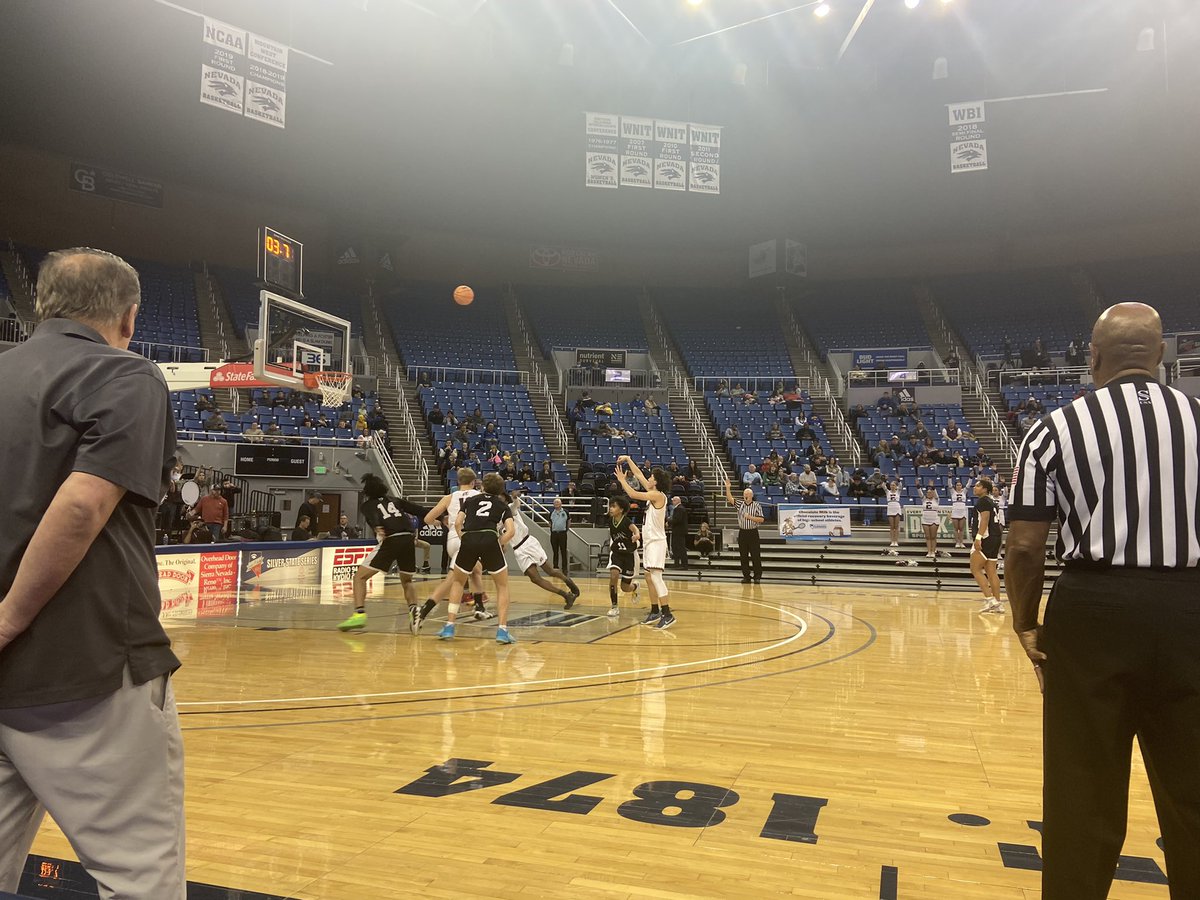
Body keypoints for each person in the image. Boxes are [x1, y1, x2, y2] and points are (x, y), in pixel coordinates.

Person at [0, 248, 184, 896]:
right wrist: (9, 618)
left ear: (42, 304)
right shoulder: (126, 375)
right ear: (128, 318)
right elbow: (82, 505)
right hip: (91, 668)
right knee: (138, 877)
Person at [1006, 302, 1200, 900]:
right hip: (1191, 608)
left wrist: (1026, 623)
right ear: (1160, 355)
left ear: (1093, 357)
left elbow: (1024, 546)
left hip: (1092, 609)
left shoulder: (1053, 429)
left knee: (1081, 790)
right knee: (1194, 791)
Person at [337, 474, 429, 634]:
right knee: (407, 580)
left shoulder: (367, 505)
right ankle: (414, 610)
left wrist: (377, 525)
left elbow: (373, 516)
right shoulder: (395, 500)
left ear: (367, 491)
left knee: (359, 577)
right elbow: (418, 510)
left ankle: (359, 614)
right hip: (408, 539)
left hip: (391, 539)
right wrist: (441, 516)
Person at [438, 472, 517, 644]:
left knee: (458, 582)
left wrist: (463, 538)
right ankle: (502, 631)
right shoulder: (502, 505)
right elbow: (511, 531)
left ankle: (449, 626)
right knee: (502, 586)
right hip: (490, 538)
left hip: (469, 539)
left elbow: (457, 523)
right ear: (500, 490)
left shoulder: (469, 501)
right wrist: (499, 543)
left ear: (482, 486)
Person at [420, 467, 490, 625]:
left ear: (458, 482)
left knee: (476, 569)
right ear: (473, 482)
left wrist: (440, 522)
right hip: (467, 538)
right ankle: (423, 610)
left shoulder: (449, 497)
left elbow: (427, 519)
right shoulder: (479, 495)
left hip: (451, 539)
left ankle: (479, 607)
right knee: (452, 579)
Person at [615, 457, 674, 629]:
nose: (648, 478)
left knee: (656, 577)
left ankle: (668, 614)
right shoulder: (653, 493)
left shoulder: (657, 495)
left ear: (656, 482)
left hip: (656, 542)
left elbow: (633, 495)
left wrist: (622, 481)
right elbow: (639, 474)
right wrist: (628, 459)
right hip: (649, 542)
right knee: (648, 577)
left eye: (651, 477)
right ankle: (655, 610)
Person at [506, 488, 579, 607]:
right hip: (518, 550)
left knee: (550, 571)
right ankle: (566, 595)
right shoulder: (495, 520)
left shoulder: (509, 508)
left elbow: (515, 505)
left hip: (527, 543)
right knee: (534, 579)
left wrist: (515, 497)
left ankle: (571, 585)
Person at [969, 477, 1004, 614]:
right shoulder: (992, 502)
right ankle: (998, 604)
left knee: (975, 569)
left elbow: (984, 520)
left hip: (986, 537)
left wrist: (978, 537)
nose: (975, 487)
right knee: (991, 571)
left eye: (978, 486)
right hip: (996, 537)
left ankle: (990, 600)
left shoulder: (983, 501)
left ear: (984, 489)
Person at [605, 495, 641, 618]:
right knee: (613, 575)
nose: (610, 508)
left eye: (613, 506)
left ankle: (635, 586)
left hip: (629, 555)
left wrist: (636, 535)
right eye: (610, 506)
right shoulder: (610, 521)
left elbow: (635, 529)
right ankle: (614, 606)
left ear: (621, 509)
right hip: (617, 554)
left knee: (625, 588)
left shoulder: (626, 521)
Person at [724, 477, 764, 583]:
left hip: (753, 532)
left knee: (755, 555)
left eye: (747, 494)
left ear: (751, 496)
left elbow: (761, 519)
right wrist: (728, 488)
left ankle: (757, 576)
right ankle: (746, 576)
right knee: (743, 556)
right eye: (744, 494)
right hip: (743, 532)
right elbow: (730, 499)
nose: (745, 496)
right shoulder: (740, 504)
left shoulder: (756, 505)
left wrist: (750, 517)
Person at [550, 497, 570, 571]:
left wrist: (565, 530)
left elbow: (569, 521)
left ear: (561, 504)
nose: (556, 504)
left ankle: (564, 567)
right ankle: (555, 566)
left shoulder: (565, 512)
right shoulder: (552, 513)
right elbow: (550, 522)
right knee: (555, 551)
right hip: (554, 534)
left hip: (562, 534)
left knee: (563, 551)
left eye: (558, 502)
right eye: (555, 503)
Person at [669, 495, 689, 568]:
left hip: (678, 531)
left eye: (674, 500)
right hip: (679, 531)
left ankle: (683, 564)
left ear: (677, 501)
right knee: (676, 547)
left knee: (679, 548)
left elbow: (677, 520)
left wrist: (669, 521)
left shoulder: (679, 509)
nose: (672, 502)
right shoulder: (680, 508)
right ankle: (677, 563)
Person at [920, 486, 940, 559]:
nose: (929, 494)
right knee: (928, 537)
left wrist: (932, 487)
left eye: (930, 492)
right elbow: (920, 492)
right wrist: (918, 486)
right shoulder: (924, 499)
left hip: (934, 519)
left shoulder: (936, 499)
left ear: (933, 493)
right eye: (927, 493)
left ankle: (933, 551)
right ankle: (929, 551)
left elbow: (936, 493)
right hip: (925, 520)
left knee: (933, 537)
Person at [949, 480, 969, 549]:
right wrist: (949, 478)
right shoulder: (953, 492)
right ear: (955, 486)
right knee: (956, 528)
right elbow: (949, 485)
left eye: (960, 485)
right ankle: (957, 542)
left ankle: (961, 542)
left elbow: (968, 485)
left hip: (962, 511)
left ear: (962, 486)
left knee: (961, 528)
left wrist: (970, 478)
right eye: (957, 485)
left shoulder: (964, 492)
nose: (958, 486)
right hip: (955, 511)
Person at [885, 480, 903, 549]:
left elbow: (900, 486)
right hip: (890, 508)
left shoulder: (898, 492)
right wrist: (884, 479)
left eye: (893, 485)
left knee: (896, 526)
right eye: (891, 485)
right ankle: (892, 541)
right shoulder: (888, 492)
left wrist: (898, 480)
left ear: (896, 486)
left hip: (897, 508)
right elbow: (883, 486)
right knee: (892, 526)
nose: (892, 486)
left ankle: (896, 541)